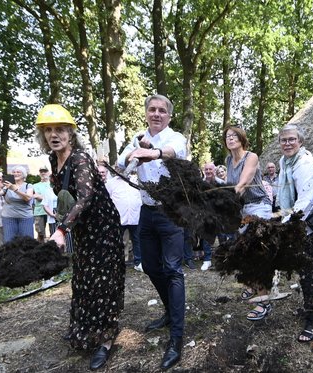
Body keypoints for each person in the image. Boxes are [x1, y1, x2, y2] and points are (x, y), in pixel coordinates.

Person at [36, 103, 125, 370]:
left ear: (71, 133)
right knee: (84, 277)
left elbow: (86, 196)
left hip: (103, 226)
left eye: (60, 130)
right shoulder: (54, 159)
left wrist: (62, 230)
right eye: (48, 130)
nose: (54, 135)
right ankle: (83, 328)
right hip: (84, 227)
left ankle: (105, 340)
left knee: (103, 281)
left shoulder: (80, 158)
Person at [118, 94, 188, 370]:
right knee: (148, 265)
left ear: (169, 116)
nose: (157, 114)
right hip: (146, 211)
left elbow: (172, 153)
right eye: (152, 110)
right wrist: (134, 151)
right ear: (146, 113)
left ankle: (177, 338)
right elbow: (122, 163)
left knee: (173, 269)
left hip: (171, 212)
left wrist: (154, 152)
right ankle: (170, 312)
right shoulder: (137, 138)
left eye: (162, 111)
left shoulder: (175, 138)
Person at [273, 124, 313, 344]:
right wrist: (279, 214)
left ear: (300, 141)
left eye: (291, 139)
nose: (287, 144)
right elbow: (282, 190)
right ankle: (309, 308)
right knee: (303, 269)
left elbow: (305, 203)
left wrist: (283, 224)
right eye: (283, 140)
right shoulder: (284, 162)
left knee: (308, 271)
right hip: (298, 222)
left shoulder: (305, 164)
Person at [223, 126, 275, 320]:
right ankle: (253, 284)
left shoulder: (251, 157)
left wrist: (226, 201)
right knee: (244, 251)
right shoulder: (229, 160)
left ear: (242, 138)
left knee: (256, 252)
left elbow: (243, 183)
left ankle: (264, 302)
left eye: (234, 135)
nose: (230, 138)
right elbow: (231, 185)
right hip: (243, 208)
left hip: (259, 206)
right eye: (227, 136)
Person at [99, 163, 143, 271]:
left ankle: (139, 262)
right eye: (120, 169)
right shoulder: (111, 183)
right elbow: (106, 200)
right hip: (119, 219)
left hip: (135, 217)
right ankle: (117, 262)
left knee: (137, 240)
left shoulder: (136, 181)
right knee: (117, 241)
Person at [0, 166, 35, 243]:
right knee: (9, 243)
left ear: (24, 175)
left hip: (25, 217)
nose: (16, 173)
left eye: (18, 172)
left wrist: (15, 189)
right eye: (14, 172)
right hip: (9, 217)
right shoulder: (6, 186)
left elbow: (28, 198)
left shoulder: (28, 186)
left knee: (27, 242)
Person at [33, 167, 52, 241]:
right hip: (40, 211)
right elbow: (36, 196)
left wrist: (42, 197)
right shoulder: (35, 185)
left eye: (45, 171)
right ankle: (40, 250)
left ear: (49, 172)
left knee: (54, 231)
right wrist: (49, 198)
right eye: (41, 172)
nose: (43, 173)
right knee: (40, 232)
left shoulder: (53, 183)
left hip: (52, 210)